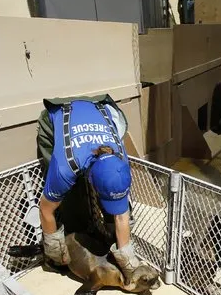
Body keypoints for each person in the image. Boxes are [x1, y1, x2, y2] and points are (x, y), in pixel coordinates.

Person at [38, 98, 144, 284]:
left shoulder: (121, 163)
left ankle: (111, 239)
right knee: (70, 196)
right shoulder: (66, 167)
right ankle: (70, 236)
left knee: (118, 209)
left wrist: (127, 261)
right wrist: (54, 251)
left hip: (95, 112)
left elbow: (121, 216)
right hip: (60, 118)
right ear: (91, 179)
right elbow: (46, 209)